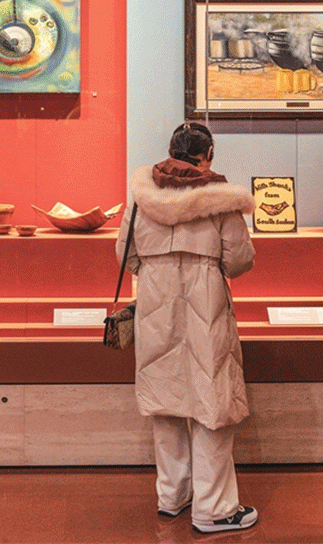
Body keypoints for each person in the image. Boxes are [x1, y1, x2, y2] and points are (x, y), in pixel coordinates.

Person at [116, 122, 259, 534]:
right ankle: (213, 508)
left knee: (167, 400)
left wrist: (157, 271)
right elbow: (239, 261)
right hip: (205, 300)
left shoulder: (143, 197)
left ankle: (172, 495)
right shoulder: (221, 199)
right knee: (212, 403)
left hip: (156, 302)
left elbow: (125, 253)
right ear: (208, 153)